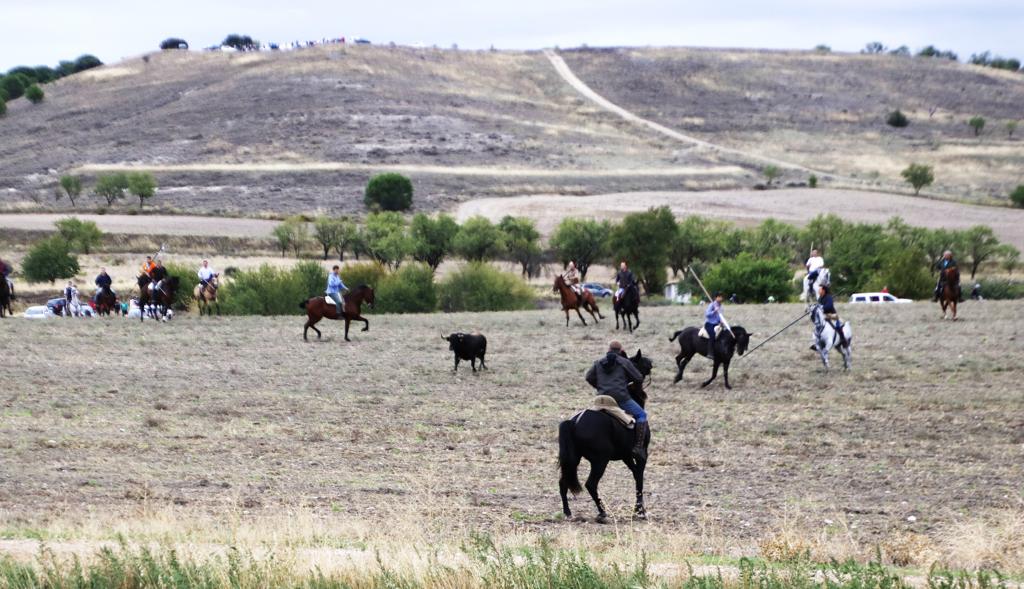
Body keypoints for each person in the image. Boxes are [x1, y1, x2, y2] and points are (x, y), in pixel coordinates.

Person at [584, 341, 648, 461]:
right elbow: (638, 377)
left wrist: (599, 387)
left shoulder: (598, 362)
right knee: (641, 414)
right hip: (620, 398)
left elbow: (588, 377)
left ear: (608, 349)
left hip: (601, 399)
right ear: (621, 350)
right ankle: (638, 447)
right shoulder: (624, 362)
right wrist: (631, 385)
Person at [704, 292, 725, 357]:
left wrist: (721, 321)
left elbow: (719, 316)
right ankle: (710, 352)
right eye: (719, 297)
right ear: (716, 298)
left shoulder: (721, 307)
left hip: (717, 324)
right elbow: (707, 314)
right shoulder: (712, 305)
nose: (721, 298)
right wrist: (714, 311)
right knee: (712, 335)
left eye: (721, 297)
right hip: (709, 323)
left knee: (724, 334)